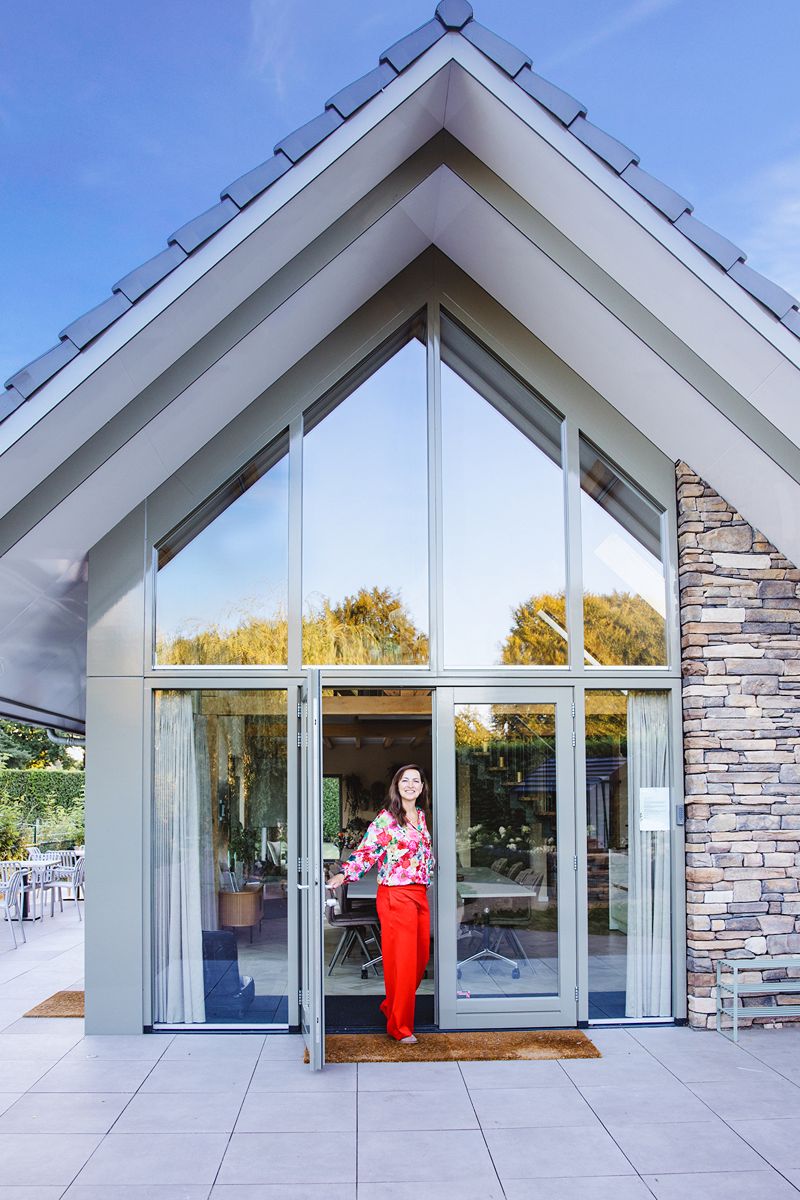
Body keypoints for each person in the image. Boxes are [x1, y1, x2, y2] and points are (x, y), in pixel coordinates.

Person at [327, 764, 434, 1045]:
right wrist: (344, 874)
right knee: (403, 962)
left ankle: (392, 1006)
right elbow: (366, 852)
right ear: (397, 786)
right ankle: (400, 1026)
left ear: (422, 787)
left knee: (420, 958)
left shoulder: (421, 816)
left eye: (416, 781)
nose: (411, 785)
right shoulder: (387, 819)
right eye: (405, 780)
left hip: (419, 894)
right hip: (395, 895)